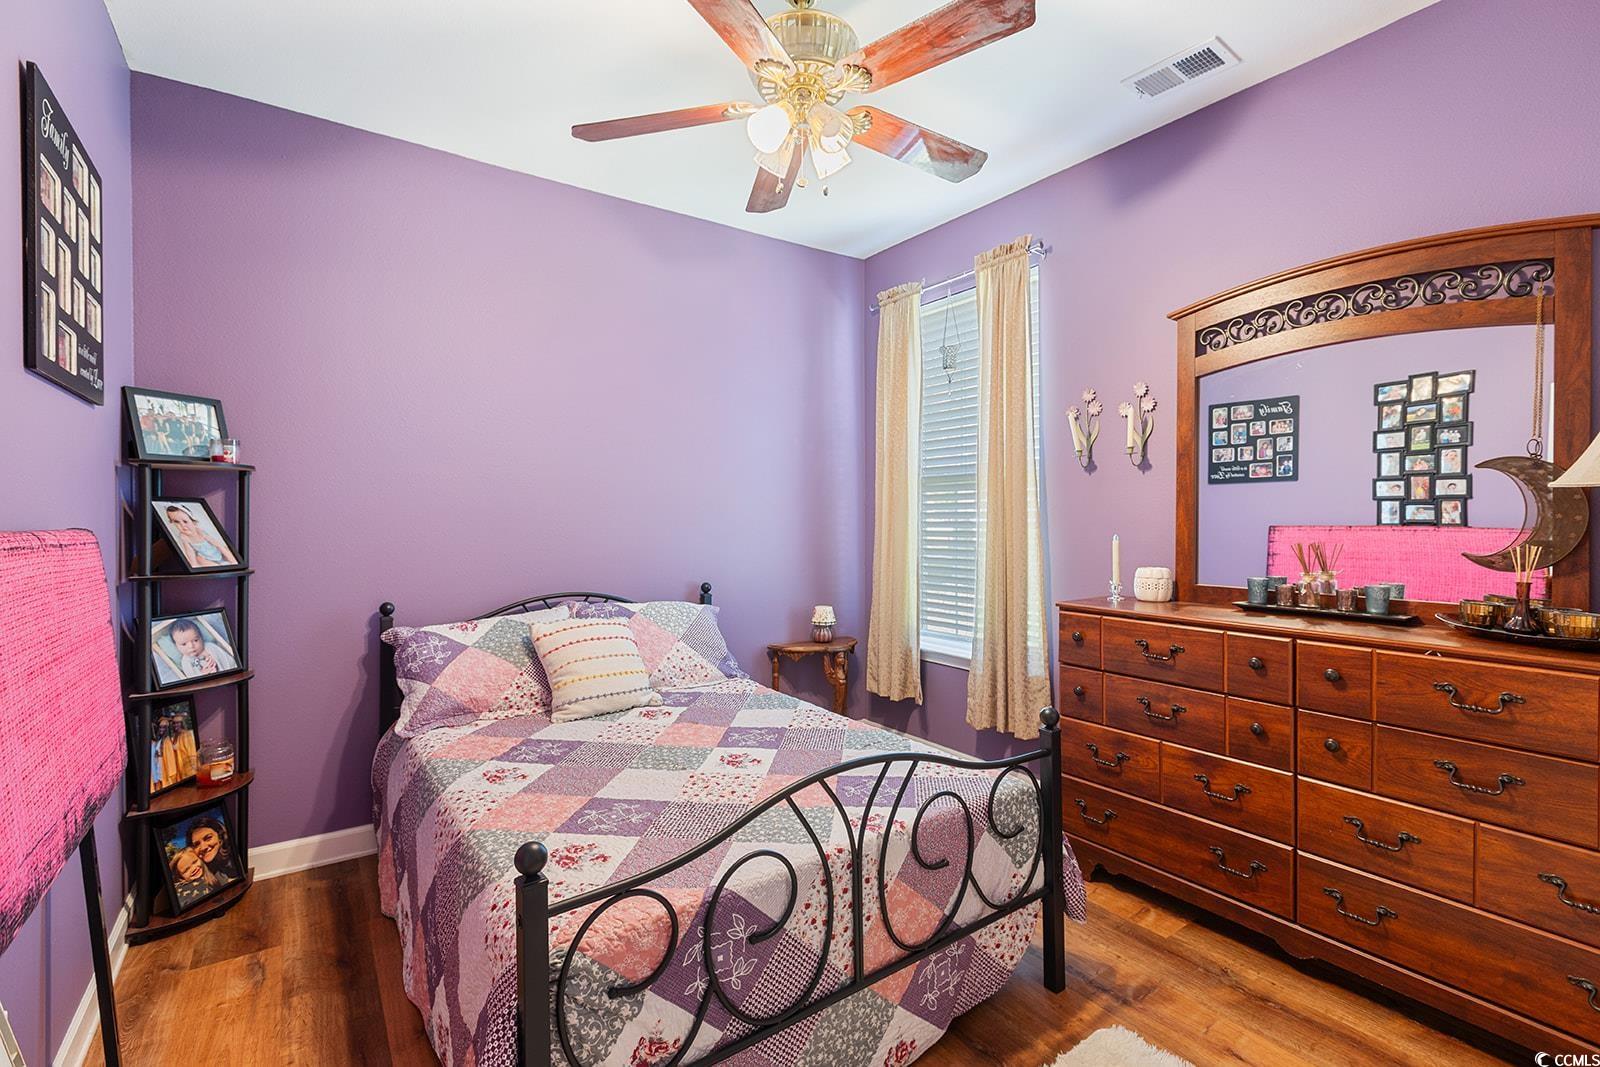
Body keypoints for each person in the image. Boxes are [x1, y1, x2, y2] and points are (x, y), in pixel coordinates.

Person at [164, 504, 237, 568]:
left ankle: (231, 563)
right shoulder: (184, 537)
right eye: (176, 522)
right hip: (205, 557)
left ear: (193, 522)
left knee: (225, 549)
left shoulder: (200, 532)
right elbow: (190, 552)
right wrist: (193, 565)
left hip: (216, 552)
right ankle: (218, 567)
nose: (182, 525)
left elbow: (217, 545)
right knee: (199, 559)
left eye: (185, 521)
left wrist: (233, 562)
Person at [167, 617, 237, 678]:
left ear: (201, 638)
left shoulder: (210, 646)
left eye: (195, 640)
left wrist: (216, 662)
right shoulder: (186, 661)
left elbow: (227, 659)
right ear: (176, 646)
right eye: (184, 644)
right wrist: (203, 674)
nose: (191, 646)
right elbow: (192, 678)